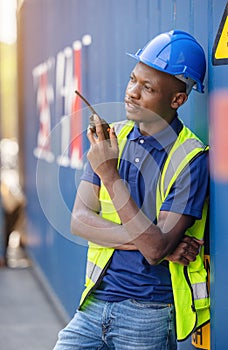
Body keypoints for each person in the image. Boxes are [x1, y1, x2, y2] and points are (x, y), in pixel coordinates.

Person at [53, 30, 210, 350]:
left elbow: (155, 250)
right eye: (132, 80)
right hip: (93, 304)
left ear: (177, 99)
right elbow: (79, 221)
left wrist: (109, 175)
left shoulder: (191, 159)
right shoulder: (112, 139)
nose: (132, 93)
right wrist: (161, 245)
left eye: (147, 87)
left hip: (148, 313)